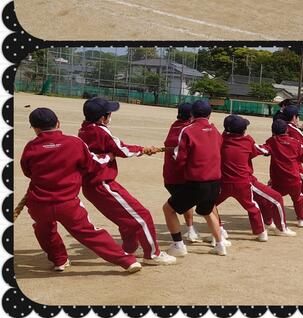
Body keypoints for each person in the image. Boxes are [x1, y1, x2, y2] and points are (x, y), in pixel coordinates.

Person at [20, 107, 142, 275]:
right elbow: (92, 164)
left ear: (35, 128)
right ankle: (126, 260)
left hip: (39, 203)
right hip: (67, 203)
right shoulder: (74, 142)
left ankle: (59, 260)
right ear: (58, 123)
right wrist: (109, 156)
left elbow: (27, 171)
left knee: (44, 230)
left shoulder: (31, 146)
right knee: (89, 233)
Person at [77, 98, 175, 265]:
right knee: (142, 216)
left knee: (126, 219)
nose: (110, 116)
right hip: (102, 184)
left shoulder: (84, 129)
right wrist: (142, 149)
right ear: (102, 117)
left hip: (93, 185)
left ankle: (130, 248)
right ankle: (153, 255)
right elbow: (121, 149)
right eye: (109, 114)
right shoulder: (100, 131)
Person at [162, 99, 226, 257]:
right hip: (215, 182)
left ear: (192, 114)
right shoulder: (215, 130)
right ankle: (220, 244)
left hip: (197, 183)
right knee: (208, 211)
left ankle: (178, 245)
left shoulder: (188, 130)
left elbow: (181, 158)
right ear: (210, 114)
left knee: (168, 209)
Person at [216, 114, 294, 240]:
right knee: (271, 200)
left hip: (222, 183)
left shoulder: (220, 140)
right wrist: (277, 145)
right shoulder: (247, 141)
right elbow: (261, 150)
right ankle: (269, 231)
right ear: (242, 131)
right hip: (244, 183)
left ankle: (218, 229)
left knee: (209, 206)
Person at [162, 103, 202, 244]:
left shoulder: (175, 126)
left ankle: (190, 230)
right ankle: (190, 231)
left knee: (183, 204)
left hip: (169, 176)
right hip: (181, 176)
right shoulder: (187, 130)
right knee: (196, 202)